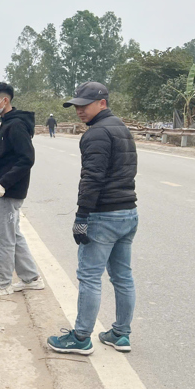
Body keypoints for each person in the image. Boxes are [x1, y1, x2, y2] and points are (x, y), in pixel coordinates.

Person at [48, 82, 138, 355]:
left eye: (84, 105)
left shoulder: (96, 134)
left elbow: (92, 178)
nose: (79, 110)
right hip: (128, 212)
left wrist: (82, 216)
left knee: (89, 276)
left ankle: (81, 337)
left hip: (103, 215)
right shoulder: (121, 127)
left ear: (102, 102)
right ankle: (121, 334)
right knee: (122, 276)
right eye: (76, 105)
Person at [0, 82, 45, 297]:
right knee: (13, 234)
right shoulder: (8, 122)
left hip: (8, 190)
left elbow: (26, 159)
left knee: (2, 237)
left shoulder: (15, 125)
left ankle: (2, 283)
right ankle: (30, 278)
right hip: (5, 188)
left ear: (4, 100)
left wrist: (3, 183)